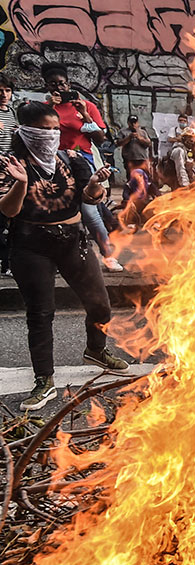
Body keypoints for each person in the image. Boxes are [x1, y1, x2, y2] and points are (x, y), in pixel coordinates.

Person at [1, 101, 130, 411]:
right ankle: (44, 380)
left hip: (73, 241)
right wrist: (20, 184)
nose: (51, 136)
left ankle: (96, 350)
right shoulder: (12, 164)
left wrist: (97, 186)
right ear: (27, 132)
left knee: (99, 303)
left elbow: (88, 197)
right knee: (41, 313)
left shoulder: (69, 158)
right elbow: (8, 210)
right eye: (44, 130)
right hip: (32, 246)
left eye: (55, 129)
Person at [41, 64, 122, 272]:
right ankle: (61, 259)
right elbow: (39, 135)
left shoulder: (86, 106)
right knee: (58, 213)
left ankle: (108, 255)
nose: (58, 88)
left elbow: (101, 139)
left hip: (83, 164)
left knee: (90, 212)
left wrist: (85, 114)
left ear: (68, 83)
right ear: (47, 87)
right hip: (54, 166)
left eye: (62, 83)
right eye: (53, 85)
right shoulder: (45, 108)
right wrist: (49, 107)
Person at [116, 116, 153, 181]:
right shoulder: (123, 132)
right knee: (131, 177)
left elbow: (148, 143)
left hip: (142, 158)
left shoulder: (143, 132)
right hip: (129, 159)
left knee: (145, 177)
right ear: (128, 123)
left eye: (135, 123)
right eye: (131, 123)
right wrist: (129, 137)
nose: (133, 125)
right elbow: (119, 143)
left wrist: (139, 138)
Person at [0, 75, 16, 153]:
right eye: (0, 90)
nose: (4, 95)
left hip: (11, 156)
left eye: (8, 90)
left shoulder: (12, 111)